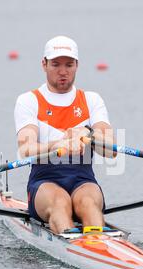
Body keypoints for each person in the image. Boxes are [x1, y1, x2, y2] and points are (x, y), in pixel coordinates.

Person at [14, 35, 115, 234]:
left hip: (83, 180)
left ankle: (97, 245)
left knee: (88, 203)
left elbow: (112, 151)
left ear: (77, 65)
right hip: (44, 182)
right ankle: (74, 243)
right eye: (55, 64)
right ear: (44, 64)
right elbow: (26, 149)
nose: (62, 71)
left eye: (69, 65)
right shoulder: (29, 101)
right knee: (60, 202)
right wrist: (57, 145)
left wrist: (89, 134)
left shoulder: (91, 100)